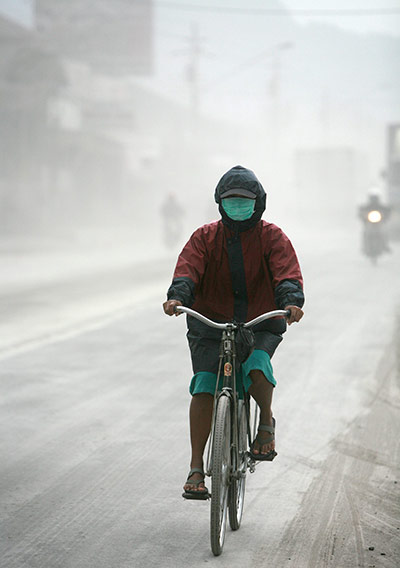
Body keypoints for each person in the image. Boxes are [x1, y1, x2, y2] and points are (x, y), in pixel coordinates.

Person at [163, 165, 304, 499]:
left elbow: (287, 274)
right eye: (231, 200)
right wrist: (177, 297)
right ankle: (197, 467)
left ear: (259, 202)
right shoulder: (204, 237)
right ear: (219, 202)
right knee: (204, 385)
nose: (238, 205)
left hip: (261, 321)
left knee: (256, 367)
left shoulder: (273, 237)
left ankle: (265, 426)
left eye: (244, 199)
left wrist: (292, 301)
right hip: (209, 322)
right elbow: (188, 270)